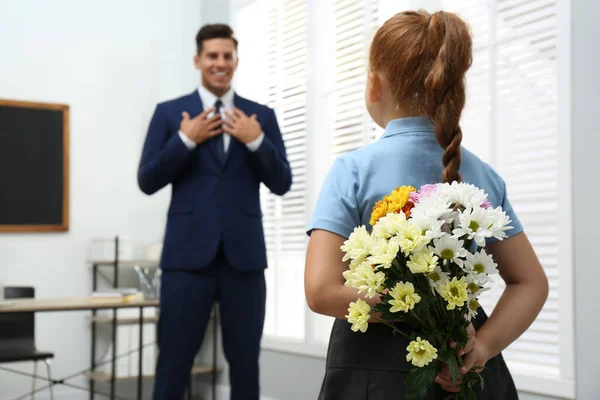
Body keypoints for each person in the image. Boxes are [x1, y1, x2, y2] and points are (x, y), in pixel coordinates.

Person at [304, 10, 548, 400]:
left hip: (374, 375)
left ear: (374, 85)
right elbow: (531, 283)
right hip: (466, 371)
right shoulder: (482, 174)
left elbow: (320, 290)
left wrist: (411, 303)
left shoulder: (352, 170)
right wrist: (481, 347)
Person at [137, 23, 292, 400]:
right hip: (186, 262)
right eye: (212, 56)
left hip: (245, 261)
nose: (220, 63)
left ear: (236, 61)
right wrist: (185, 139)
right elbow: (147, 179)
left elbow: (282, 182)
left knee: (245, 367)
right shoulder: (169, 114)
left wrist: (255, 141)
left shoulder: (260, 117)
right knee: (173, 363)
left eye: (227, 56)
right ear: (198, 60)